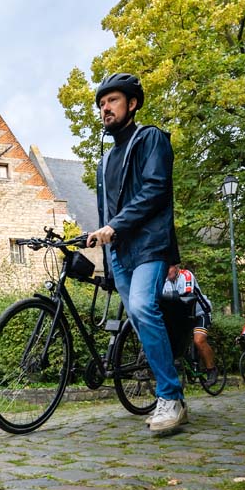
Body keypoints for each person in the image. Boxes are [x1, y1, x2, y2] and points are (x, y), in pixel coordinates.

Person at [86, 72, 186, 434]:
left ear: (132, 103)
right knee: (141, 322)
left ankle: (170, 397)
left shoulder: (151, 138)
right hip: (120, 252)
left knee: (143, 307)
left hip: (150, 245)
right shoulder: (105, 162)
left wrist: (115, 226)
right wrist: (104, 254)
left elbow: (156, 190)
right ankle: (170, 394)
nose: (105, 108)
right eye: (101, 104)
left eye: (112, 100)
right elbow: (106, 213)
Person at [163, 264, 218, 386]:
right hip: (184, 316)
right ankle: (188, 364)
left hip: (200, 313)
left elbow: (187, 296)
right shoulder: (165, 281)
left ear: (176, 267)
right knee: (173, 340)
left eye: (169, 268)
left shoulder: (186, 275)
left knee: (199, 340)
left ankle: (211, 370)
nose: (166, 271)